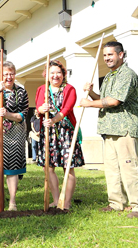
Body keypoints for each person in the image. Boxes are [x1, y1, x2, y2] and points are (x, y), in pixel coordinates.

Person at [81, 41, 138, 218]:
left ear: (121, 54)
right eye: (105, 55)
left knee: (129, 167)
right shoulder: (110, 76)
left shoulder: (127, 74)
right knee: (112, 168)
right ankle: (116, 203)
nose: (107, 58)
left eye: (110, 54)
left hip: (125, 127)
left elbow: (114, 101)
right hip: (109, 127)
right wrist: (91, 93)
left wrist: (89, 104)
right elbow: (104, 99)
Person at [35, 60, 83, 210]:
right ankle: (56, 200)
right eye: (52, 73)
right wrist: (42, 110)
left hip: (66, 132)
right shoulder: (42, 89)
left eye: (58, 73)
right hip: (48, 133)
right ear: (46, 75)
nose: (55, 76)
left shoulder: (70, 89)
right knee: (48, 167)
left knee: (68, 167)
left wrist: (53, 120)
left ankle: (66, 202)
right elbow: (37, 109)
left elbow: (67, 109)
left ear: (63, 75)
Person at [0, 61, 29, 211]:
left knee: (12, 167)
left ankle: (12, 203)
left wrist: (8, 115)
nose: (9, 77)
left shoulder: (21, 92)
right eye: (5, 74)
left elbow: (23, 115)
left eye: (11, 74)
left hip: (15, 134)